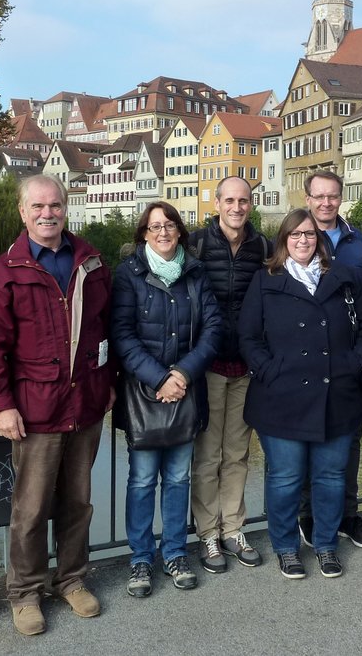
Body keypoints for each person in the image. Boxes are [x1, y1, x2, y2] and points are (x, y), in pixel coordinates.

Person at [0, 174, 115, 636]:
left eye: (55, 205)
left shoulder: (90, 262)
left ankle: (71, 580)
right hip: (34, 408)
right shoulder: (7, 271)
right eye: (37, 207)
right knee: (31, 508)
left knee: (78, 502)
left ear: (65, 207)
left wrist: (108, 381)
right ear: (23, 212)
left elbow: (106, 329)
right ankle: (25, 593)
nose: (47, 213)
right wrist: (1, 405)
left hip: (85, 403)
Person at [239, 209, 362, 579]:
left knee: (331, 476)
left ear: (318, 240)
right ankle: (286, 547)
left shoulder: (344, 277)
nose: (303, 241)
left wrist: (356, 363)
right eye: (295, 235)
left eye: (309, 235)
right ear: (283, 240)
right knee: (285, 478)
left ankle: (325, 545)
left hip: (337, 393)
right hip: (281, 397)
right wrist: (269, 370)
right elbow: (249, 337)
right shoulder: (264, 280)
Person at [111, 202, 221, 597]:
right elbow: (122, 335)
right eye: (155, 226)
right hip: (144, 392)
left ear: (179, 231)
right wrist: (160, 378)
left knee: (178, 478)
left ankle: (174, 553)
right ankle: (141, 559)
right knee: (141, 480)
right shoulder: (129, 274)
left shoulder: (195, 271)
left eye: (169, 225)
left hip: (185, 389)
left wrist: (183, 374)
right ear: (143, 233)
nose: (162, 232)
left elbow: (213, 329)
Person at [188, 177, 270, 573]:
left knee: (237, 453)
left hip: (246, 366)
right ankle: (207, 534)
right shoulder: (197, 244)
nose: (237, 207)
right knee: (207, 455)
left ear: (250, 205)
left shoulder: (263, 246)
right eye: (230, 200)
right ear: (217, 203)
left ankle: (234, 528)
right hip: (208, 365)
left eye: (244, 201)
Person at [300, 169, 362, 550]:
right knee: (305, 437)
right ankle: (308, 516)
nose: (326, 203)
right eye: (319, 196)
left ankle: (349, 515)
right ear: (308, 199)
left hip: (348, 360)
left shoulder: (357, 242)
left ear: (340, 198)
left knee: (348, 440)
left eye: (332, 196)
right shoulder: (294, 238)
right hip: (306, 359)